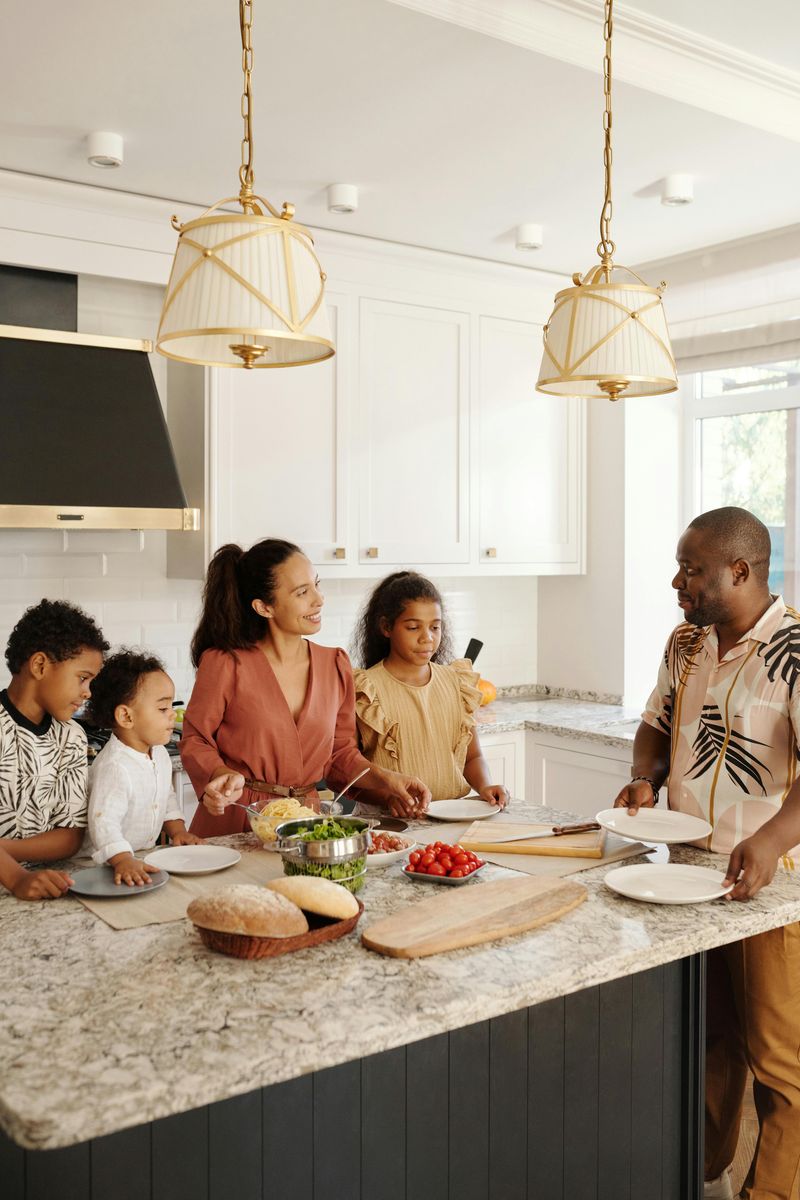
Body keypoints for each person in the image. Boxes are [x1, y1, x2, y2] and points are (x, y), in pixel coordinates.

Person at [613, 507, 800, 1200]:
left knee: (783, 1070)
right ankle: (704, 1180)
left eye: (692, 570)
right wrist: (644, 775)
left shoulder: (797, 650)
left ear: (740, 571)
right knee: (712, 1042)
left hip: (771, 885)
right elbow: (654, 726)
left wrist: (772, 838)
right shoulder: (686, 643)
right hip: (689, 878)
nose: (677, 581)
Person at [181, 539, 431, 836]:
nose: (319, 599)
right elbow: (196, 739)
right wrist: (220, 773)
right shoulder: (225, 663)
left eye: (316, 585)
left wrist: (387, 779)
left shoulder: (334, 664)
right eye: (302, 592)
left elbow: (339, 755)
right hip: (239, 819)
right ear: (264, 607)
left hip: (306, 823)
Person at [351, 571, 509, 807]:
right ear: (386, 627)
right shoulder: (364, 690)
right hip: (390, 826)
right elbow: (350, 776)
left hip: (452, 819)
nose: (427, 638)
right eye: (413, 628)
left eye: (435, 628)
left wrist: (485, 786)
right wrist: (387, 798)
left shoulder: (457, 683)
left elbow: (472, 757)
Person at [0, 599, 108, 900]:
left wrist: (6, 854)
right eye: (82, 678)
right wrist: (16, 875)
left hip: (47, 884)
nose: (87, 692)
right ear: (39, 666)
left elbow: (71, 836)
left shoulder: (71, 737)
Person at [84, 650, 202, 885]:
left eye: (171, 706)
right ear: (126, 717)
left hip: (138, 859)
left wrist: (177, 831)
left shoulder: (158, 752)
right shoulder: (115, 767)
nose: (171, 715)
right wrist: (122, 859)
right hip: (105, 865)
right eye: (162, 709)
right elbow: (103, 822)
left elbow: (165, 798)